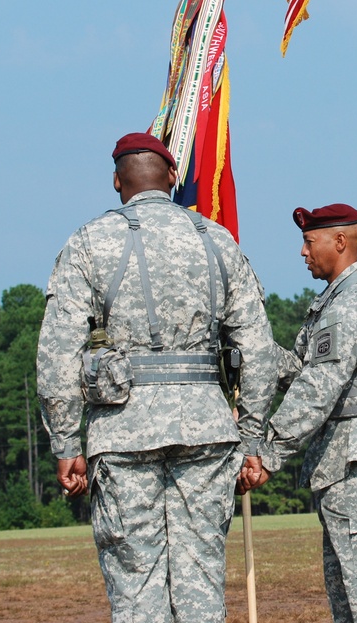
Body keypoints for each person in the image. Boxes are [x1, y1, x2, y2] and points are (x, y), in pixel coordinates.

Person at [36, 132, 277, 622]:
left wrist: (65, 443)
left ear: (116, 182)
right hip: (206, 430)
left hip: (124, 432)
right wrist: (251, 436)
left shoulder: (89, 242)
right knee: (201, 577)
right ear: (172, 177)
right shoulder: (217, 241)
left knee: (134, 582)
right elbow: (258, 349)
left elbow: (57, 354)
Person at [246, 203, 357, 623]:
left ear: (339, 242)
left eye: (309, 242)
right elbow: (306, 373)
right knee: (350, 604)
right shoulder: (333, 301)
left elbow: (317, 389)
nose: (303, 253)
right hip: (348, 469)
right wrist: (252, 345)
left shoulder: (354, 302)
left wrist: (267, 453)